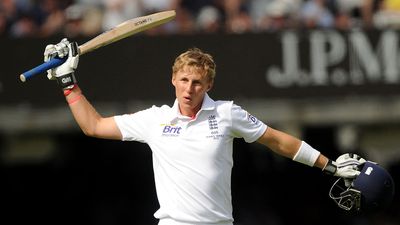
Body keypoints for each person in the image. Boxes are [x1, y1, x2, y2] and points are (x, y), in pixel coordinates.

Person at [44, 38, 366, 225]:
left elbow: (277, 140)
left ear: (208, 84)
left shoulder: (227, 113)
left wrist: (329, 164)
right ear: (173, 80)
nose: (189, 89)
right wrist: (67, 83)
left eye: (197, 82)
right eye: (183, 80)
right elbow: (93, 126)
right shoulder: (154, 120)